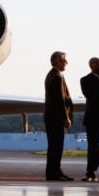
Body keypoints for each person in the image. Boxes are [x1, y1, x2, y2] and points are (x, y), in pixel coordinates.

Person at [44, 51, 74, 181]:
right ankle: (53, 173)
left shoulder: (55, 75)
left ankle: (57, 170)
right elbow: (59, 100)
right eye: (64, 60)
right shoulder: (56, 76)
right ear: (57, 62)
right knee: (56, 146)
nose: (66, 63)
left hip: (53, 117)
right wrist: (65, 117)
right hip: (55, 118)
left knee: (55, 146)